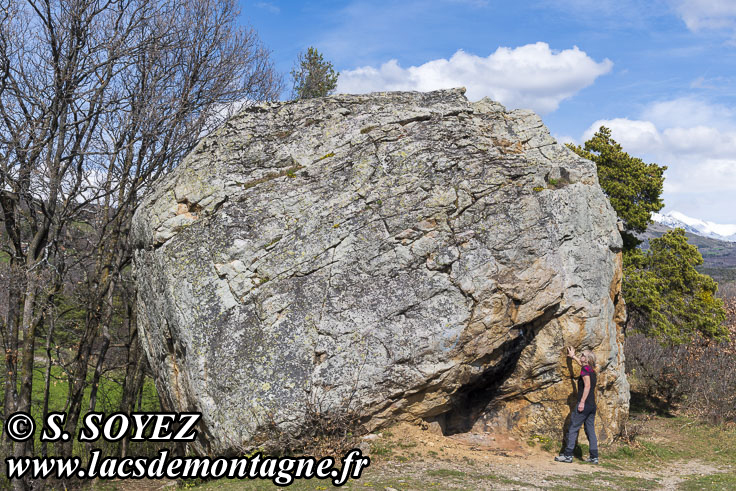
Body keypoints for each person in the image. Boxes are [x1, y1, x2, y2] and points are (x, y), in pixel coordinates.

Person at [554, 347, 599, 464]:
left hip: (584, 405)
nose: (581, 356)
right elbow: (582, 365)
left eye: (583, 355)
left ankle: (568, 455)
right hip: (592, 406)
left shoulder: (585, 370)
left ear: (587, 359)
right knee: (590, 430)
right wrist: (573, 356)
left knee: (573, 428)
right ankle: (594, 457)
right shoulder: (590, 370)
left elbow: (587, 386)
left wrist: (582, 402)